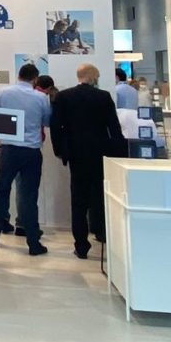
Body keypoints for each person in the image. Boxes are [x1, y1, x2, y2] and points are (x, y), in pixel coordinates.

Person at [50, 63, 125, 259]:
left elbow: (56, 127)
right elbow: (114, 127)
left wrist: (60, 151)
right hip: (100, 151)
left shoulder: (64, 97)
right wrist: (119, 152)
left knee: (78, 199)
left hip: (76, 153)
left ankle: (81, 244)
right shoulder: (103, 97)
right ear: (93, 77)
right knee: (99, 194)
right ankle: (101, 232)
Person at [0, 63, 52, 254]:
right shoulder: (41, 98)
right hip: (31, 151)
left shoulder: (3, 94)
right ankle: (33, 242)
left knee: (1, 191)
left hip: (9, 150)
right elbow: (47, 121)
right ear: (35, 79)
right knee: (29, 196)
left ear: (19, 76)